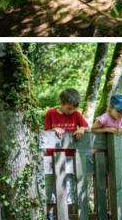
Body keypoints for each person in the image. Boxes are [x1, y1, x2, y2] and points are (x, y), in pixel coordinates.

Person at [44, 89, 88, 220]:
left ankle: (64, 215)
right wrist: (54, 129)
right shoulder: (51, 113)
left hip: (69, 158)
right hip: (53, 157)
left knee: (67, 188)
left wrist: (81, 128)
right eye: (69, 108)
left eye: (74, 108)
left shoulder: (76, 114)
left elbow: (86, 126)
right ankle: (50, 214)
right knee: (51, 187)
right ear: (61, 103)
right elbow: (46, 131)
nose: (71, 111)